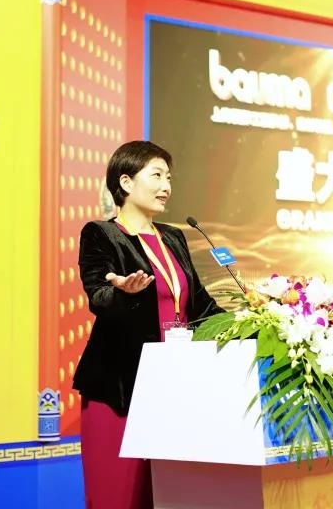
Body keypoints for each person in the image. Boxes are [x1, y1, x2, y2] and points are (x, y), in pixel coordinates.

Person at [74, 140, 223, 509]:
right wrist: (122, 292)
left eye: (169, 177)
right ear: (125, 182)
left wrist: (254, 319)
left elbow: (201, 305)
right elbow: (98, 296)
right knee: (118, 497)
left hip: (173, 387)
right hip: (120, 388)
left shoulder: (173, 237)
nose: (166, 186)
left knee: (167, 497)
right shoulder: (101, 234)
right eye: (156, 176)